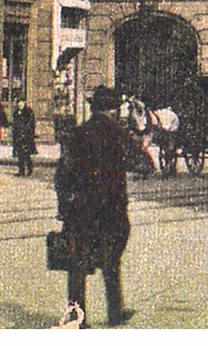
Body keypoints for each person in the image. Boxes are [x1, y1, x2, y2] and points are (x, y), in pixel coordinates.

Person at [54, 85, 154, 327]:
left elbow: (61, 174)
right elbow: (145, 164)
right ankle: (115, 312)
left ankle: (77, 318)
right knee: (111, 262)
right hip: (112, 209)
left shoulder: (77, 134)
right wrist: (141, 144)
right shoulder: (119, 134)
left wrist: (64, 206)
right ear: (113, 109)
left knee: (77, 265)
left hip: (80, 210)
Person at [12, 98, 37, 176]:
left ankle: (30, 169)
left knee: (26, 154)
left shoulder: (28, 112)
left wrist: (28, 133)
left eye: (21, 103)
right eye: (19, 103)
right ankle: (21, 171)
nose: (20, 104)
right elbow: (14, 124)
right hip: (18, 135)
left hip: (27, 136)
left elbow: (31, 124)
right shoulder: (16, 112)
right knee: (20, 154)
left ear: (24, 103)